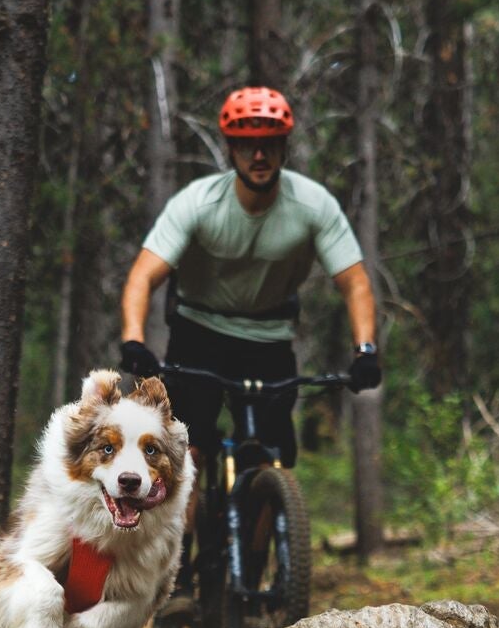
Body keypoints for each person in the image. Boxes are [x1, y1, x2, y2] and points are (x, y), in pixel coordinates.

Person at [117, 85, 381, 474]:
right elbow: (143, 275)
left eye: (270, 144)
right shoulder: (199, 203)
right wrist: (134, 341)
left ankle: (266, 521)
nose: (259, 155)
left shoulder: (312, 205)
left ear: (284, 148)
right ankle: (183, 533)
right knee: (187, 448)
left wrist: (365, 351)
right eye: (246, 145)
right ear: (230, 150)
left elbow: (355, 282)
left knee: (273, 456)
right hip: (198, 332)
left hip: (268, 338)